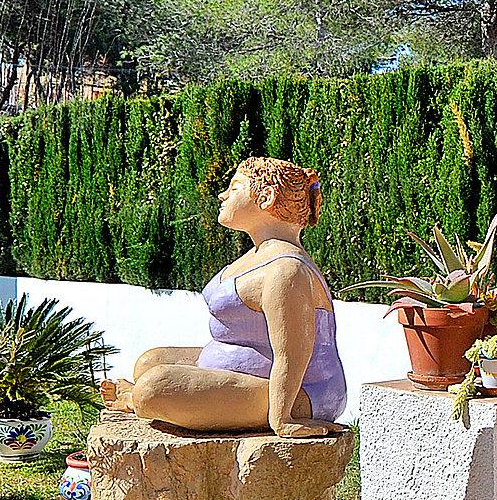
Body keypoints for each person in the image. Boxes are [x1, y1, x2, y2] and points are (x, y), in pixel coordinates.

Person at [107, 158, 346, 435]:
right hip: (249, 375)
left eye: (234, 188)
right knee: (149, 362)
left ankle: (136, 399)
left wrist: (283, 419)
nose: (222, 195)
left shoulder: (287, 270)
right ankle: (143, 397)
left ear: (265, 197)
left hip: (301, 394)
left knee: (153, 389)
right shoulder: (259, 254)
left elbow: (292, 353)